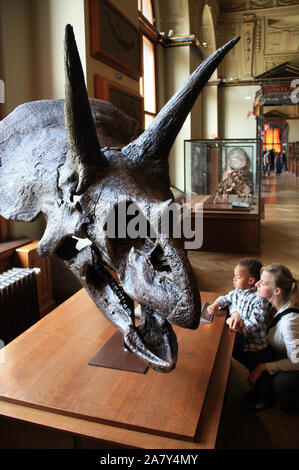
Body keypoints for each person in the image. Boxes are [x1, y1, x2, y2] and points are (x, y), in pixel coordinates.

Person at [248, 264, 299, 413]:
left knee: (281, 383)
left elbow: (297, 361)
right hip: (282, 354)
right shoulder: (270, 303)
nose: (257, 284)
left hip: (295, 362)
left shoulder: (290, 322)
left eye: (263, 283)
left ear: (277, 291)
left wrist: (264, 367)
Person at [207, 258, 273, 371]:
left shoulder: (260, 300)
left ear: (251, 281)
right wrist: (216, 304)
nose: (234, 280)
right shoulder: (238, 291)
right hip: (242, 342)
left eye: (238, 277)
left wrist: (239, 326)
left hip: (255, 349)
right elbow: (226, 298)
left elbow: (256, 323)